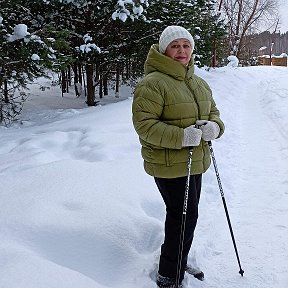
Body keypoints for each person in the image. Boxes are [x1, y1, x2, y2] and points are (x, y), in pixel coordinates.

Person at [132, 25, 225, 288]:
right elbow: (145, 126)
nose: (181, 51)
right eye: (175, 46)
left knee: (188, 214)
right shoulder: (152, 84)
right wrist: (182, 136)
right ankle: (168, 273)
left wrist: (214, 127)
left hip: (195, 161)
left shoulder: (197, 82)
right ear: (164, 50)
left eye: (186, 45)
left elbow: (214, 112)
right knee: (181, 216)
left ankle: (179, 261)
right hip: (168, 164)